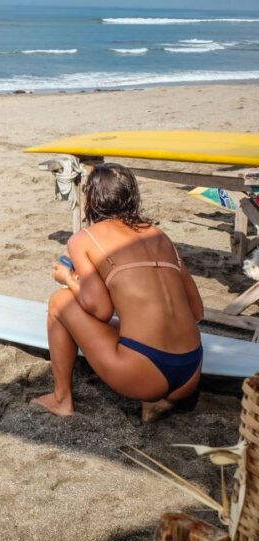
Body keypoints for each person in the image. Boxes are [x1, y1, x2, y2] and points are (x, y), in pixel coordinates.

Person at [32, 163, 205, 422]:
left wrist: (67, 278)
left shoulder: (84, 239)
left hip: (143, 371)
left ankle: (61, 399)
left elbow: (99, 309)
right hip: (191, 372)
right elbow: (197, 311)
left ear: (91, 199)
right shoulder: (160, 235)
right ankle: (160, 402)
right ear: (132, 196)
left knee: (60, 302)